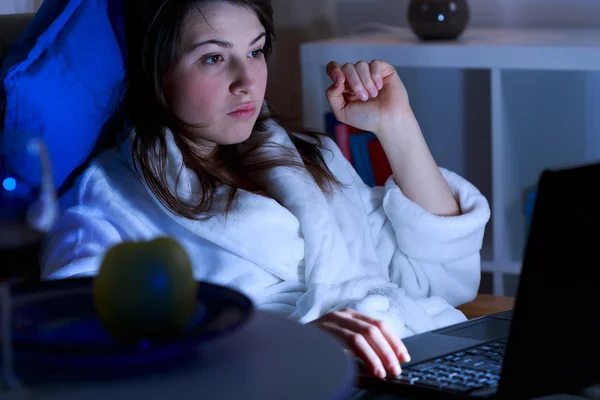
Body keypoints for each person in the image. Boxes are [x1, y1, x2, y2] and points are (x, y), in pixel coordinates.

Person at [40, 0, 490, 384]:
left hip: (410, 362)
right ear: (155, 70)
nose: (247, 81)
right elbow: (83, 340)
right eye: (214, 58)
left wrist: (398, 127)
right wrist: (289, 346)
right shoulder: (111, 198)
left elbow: (441, 280)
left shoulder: (311, 158)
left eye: (255, 51)